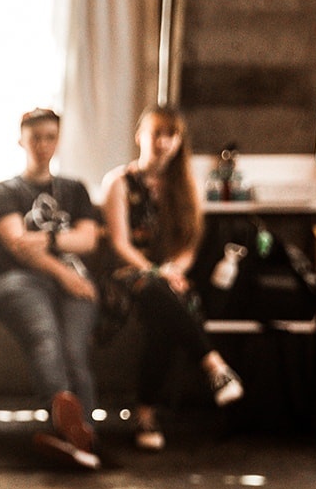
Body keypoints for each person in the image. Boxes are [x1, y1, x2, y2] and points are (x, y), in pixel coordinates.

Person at [101, 104, 243, 452]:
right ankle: (213, 364)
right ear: (140, 136)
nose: (162, 142)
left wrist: (174, 270)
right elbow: (120, 244)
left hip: (169, 280)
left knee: (162, 311)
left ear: (179, 141)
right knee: (156, 292)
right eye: (156, 134)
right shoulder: (118, 182)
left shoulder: (185, 186)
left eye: (170, 135)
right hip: (127, 275)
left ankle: (146, 415)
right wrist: (158, 272)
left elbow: (189, 245)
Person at [0, 108, 102, 469]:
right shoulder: (6, 191)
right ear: (21, 140)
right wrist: (63, 271)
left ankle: (79, 436)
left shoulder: (75, 189)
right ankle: (72, 431)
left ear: (58, 140)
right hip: (19, 281)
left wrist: (47, 239)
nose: (42, 145)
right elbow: (17, 245)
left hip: (75, 285)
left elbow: (88, 239)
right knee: (45, 336)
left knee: (73, 348)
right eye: (35, 137)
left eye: (50, 137)